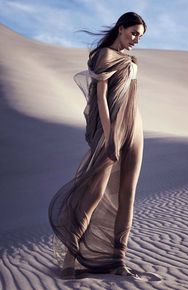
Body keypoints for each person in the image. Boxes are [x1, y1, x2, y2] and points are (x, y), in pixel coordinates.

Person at [48, 11, 147, 280]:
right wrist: (110, 134)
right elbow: (101, 100)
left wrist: (127, 133)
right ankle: (71, 255)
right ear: (121, 28)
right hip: (112, 130)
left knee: (128, 194)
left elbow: (130, 99)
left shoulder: (132, 62)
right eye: (134, 32)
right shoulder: (104, 55)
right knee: (94, 192)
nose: (136, 39)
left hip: (135, 130)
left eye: (140, 35)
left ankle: (119, 259)